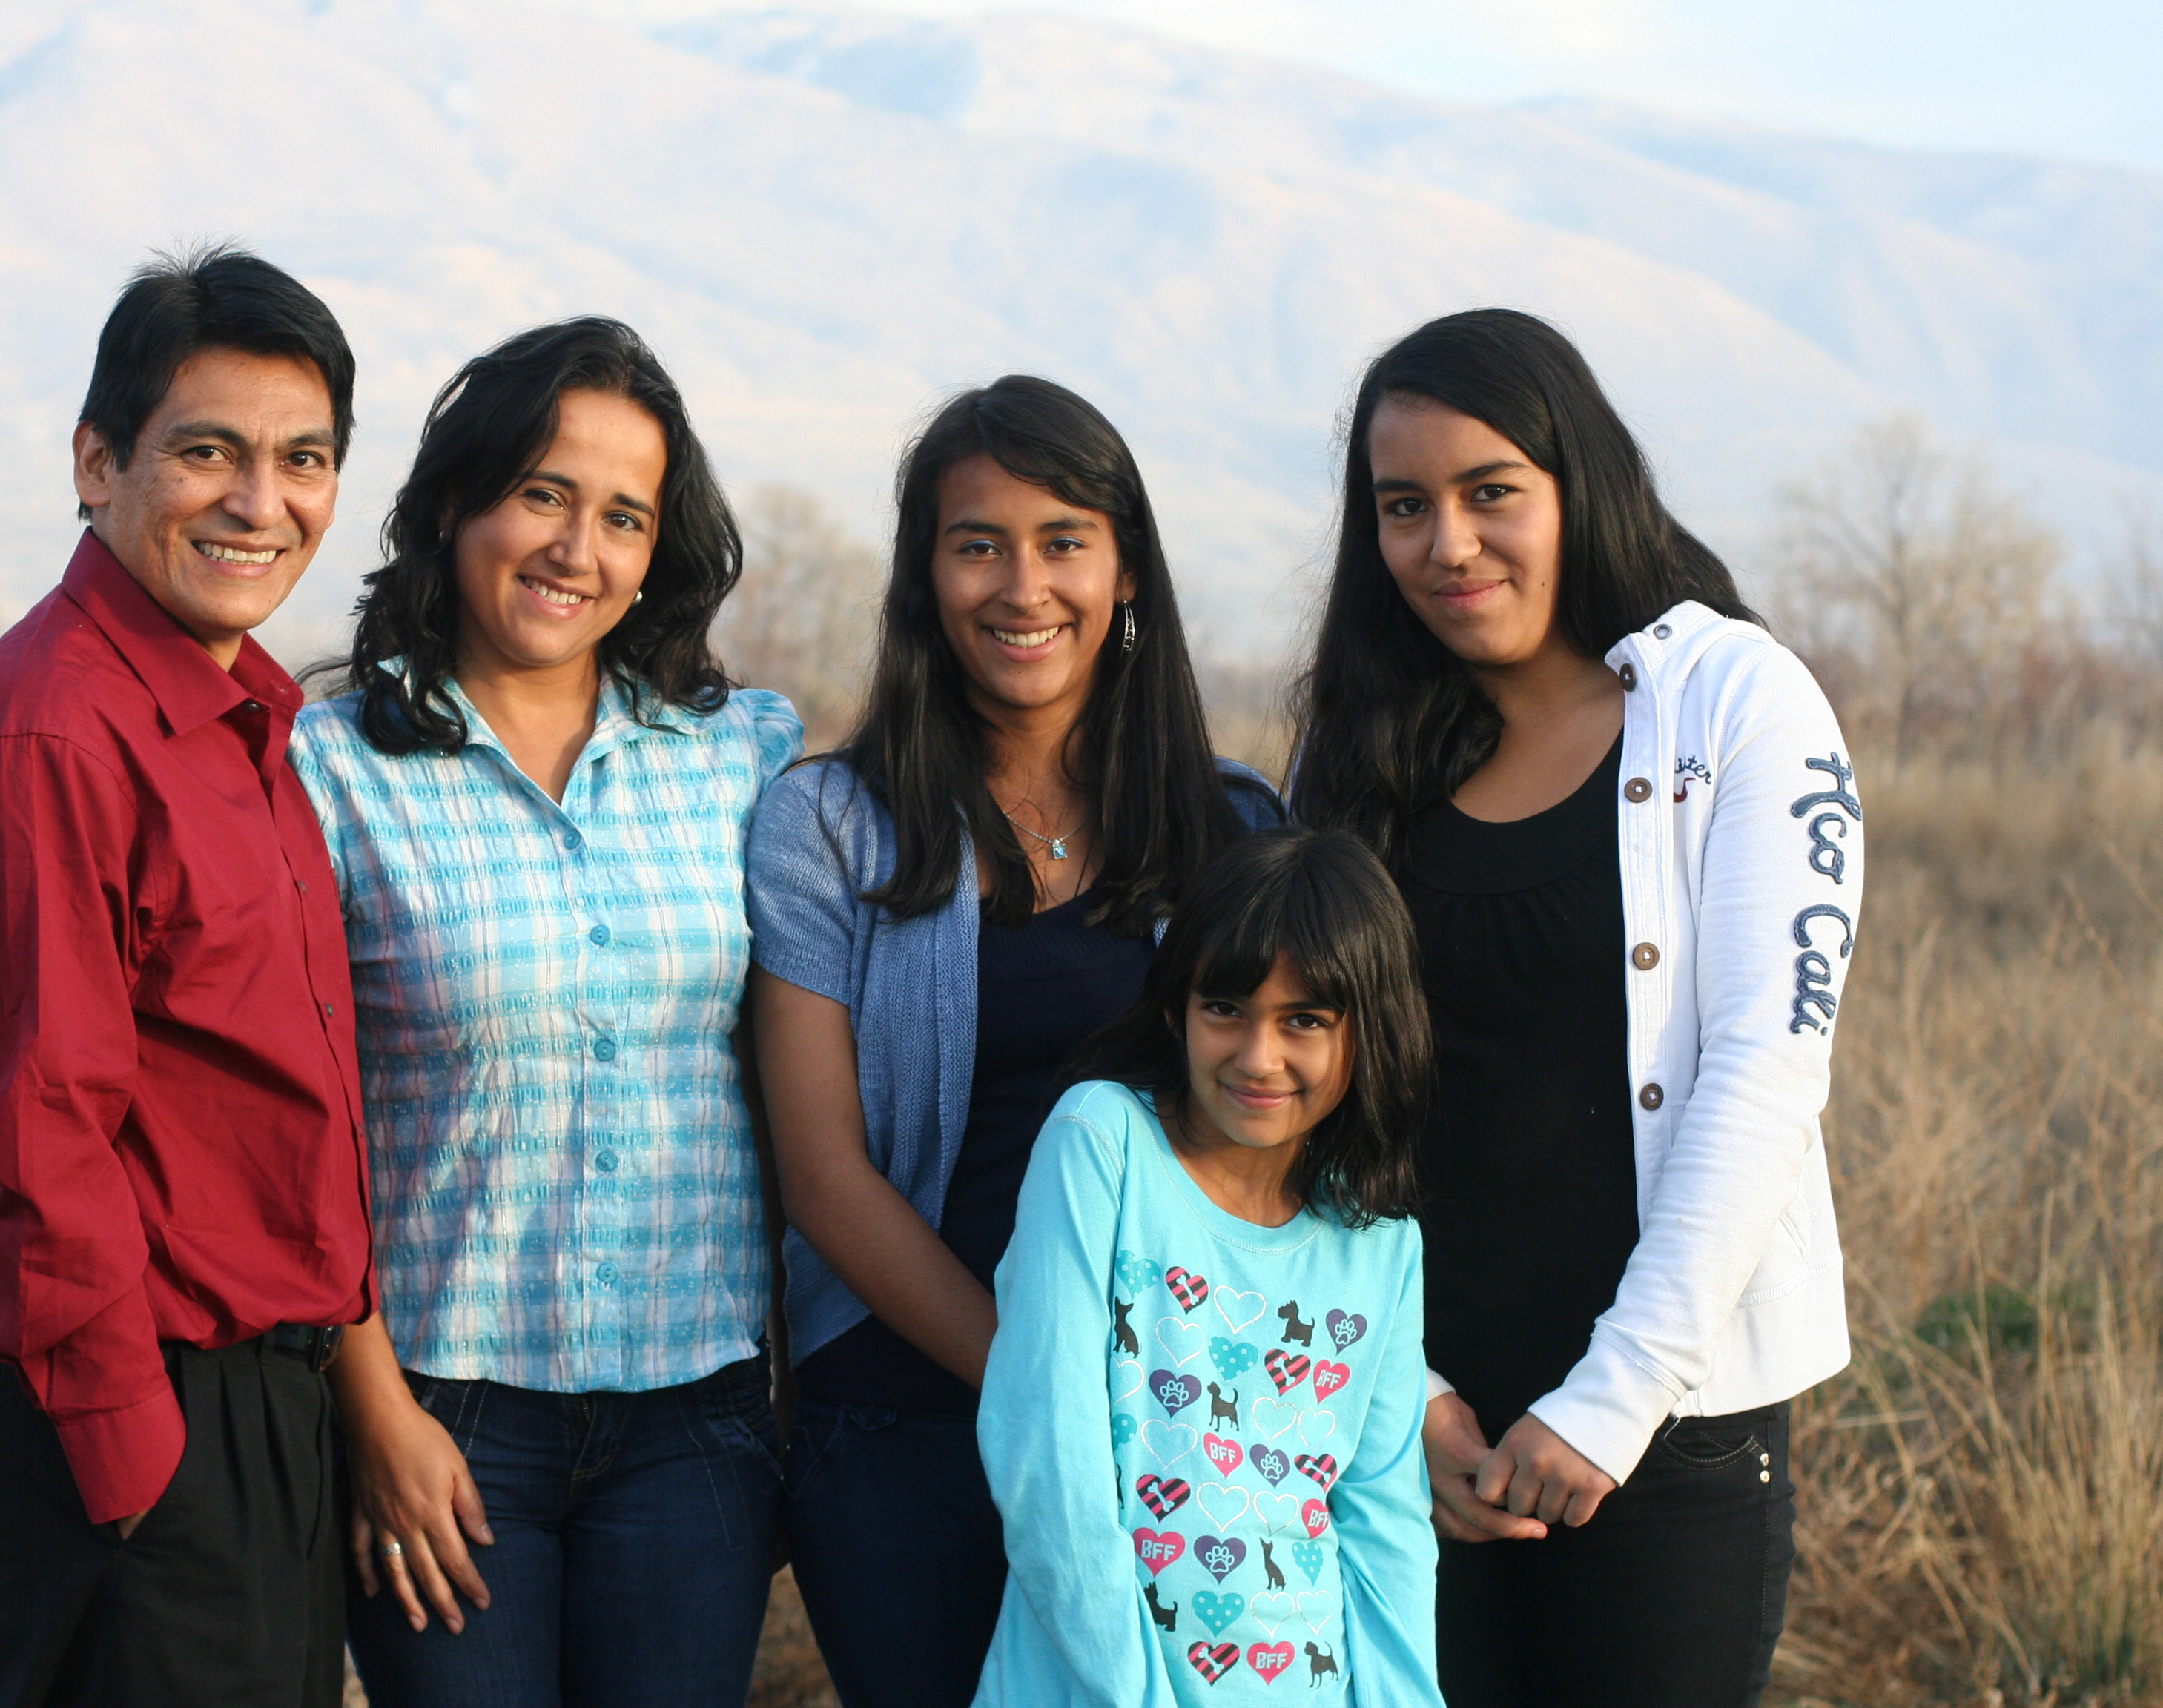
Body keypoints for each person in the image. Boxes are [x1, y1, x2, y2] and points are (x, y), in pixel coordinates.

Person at [1288, 308, 1860, 1707]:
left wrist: (1607, 1404)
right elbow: (1319, 1088)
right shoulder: (1363, 747)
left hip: (1664, 1430)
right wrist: (1403, 1393)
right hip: (1417, 1429)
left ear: (1575, 483)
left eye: (1491, 493)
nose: (1447, 544)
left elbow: (1764, 1071)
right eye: (1403, 507)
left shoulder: (1734, 702)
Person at [0, 245, 371, 1708]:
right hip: (136, 1416)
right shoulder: (45, 735)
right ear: (98, 464)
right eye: (206, 452)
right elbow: (38, 1131)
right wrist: (134, 1463)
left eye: (304, 459)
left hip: (260, 1409)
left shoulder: (235, 719)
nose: (260, 503)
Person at [286, 317, 801, 1708]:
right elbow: (296, 1122)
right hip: (444, 1412)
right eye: (543, 493)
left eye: (624, 515)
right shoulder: (327, 769)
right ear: (454, 503)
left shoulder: (742, 752)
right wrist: (372, 1407)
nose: (580, 547)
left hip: (697, 1413)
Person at [746, 374, 1282, 1708]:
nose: (1020, 583)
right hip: (904, 1415)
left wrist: (1150, 1401)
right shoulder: (826, 826)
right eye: (976, 541)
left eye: (1064, 539)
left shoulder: (1236, 831)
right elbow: (821, 1173)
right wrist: (1046, 1381)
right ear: (925, 577)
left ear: (1128, 573)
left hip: (1178, 1425)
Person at [972, 826, 1442, 1705]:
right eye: (1226, 1009)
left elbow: (1386, 1529)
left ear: (1368, 1035)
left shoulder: (1382, 1245)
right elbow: (1049, 1462)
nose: (1258, 1057)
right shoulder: (1102, 1146)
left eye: (1305, 1020)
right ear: (1174, 1010)